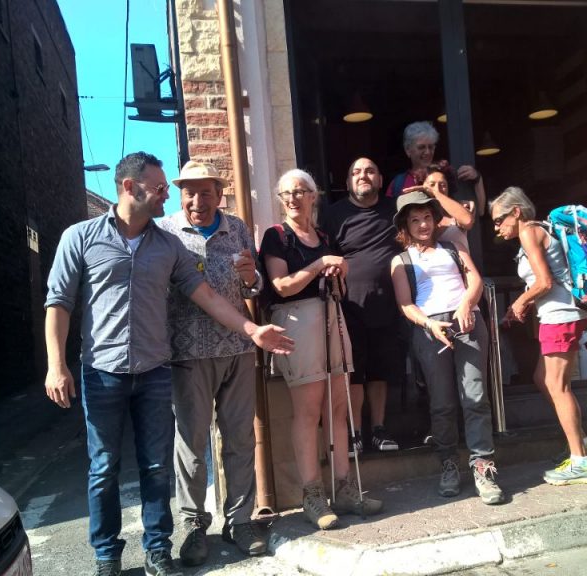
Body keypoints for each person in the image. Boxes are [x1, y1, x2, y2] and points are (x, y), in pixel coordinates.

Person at [43, 152, 293, 576]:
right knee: (104, 468)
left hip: (155, 368)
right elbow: (59, 302)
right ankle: (107, 556)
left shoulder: (167, 245)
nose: (167, 195)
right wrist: (56, 365)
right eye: (161, 188)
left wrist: (252, 329)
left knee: (156, 465)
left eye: (166, 188)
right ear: (129, 187)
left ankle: (158, 548)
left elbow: (205, 293)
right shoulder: (81, 237)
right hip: (104, 370)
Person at [259, 169, 383, 530]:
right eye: (286, 193)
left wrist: (338, 271)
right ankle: (312, 495)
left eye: (300, 191)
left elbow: (339, 287)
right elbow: (281, 286)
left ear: (313, 196)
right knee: (308, 410)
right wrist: (320, 265)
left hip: (331, 317)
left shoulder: (325, 237)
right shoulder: (276, 236)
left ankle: (344, 489)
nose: (293, 198)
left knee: (338, 407)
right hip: (297, 320)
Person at [157, 161, 266, 565]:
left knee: (239, 438)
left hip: (237, 348)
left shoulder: (236, 228)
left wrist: (251, 277)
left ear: (219, 195)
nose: (197, 201)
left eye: (206, 192)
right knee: (191, 444)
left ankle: (239, 521)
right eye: (190, 192)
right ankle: (193, 525)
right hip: (187, 353)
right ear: (180, 195)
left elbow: (254, 288)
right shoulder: (165, 231)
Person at [389, 190, 504, 505]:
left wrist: (467, 304)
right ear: (405, 225)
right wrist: (429, 324)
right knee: (442, 403)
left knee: (475, 397)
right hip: (430, 329)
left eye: (427, 217)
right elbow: (405, 304)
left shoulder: (453, 247)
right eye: (415, 220)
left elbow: (475, 280)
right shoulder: (400, 260)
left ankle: (483, 467)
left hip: (467, 321)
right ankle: (448, 464)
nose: (423, 224)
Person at [489, 187, 587, 486]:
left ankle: (581, 460)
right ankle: (581, 442)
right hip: (560, 316)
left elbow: (544, 282)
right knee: (543, 379)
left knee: (556, 385)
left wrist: (519, 302)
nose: (497, 228)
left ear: (516, 212)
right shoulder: (538, 230)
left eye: (499, 220)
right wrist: (522, 305)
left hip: (560, 316)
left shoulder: (529, 232)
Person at [323, 158, 403, 454]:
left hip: (387, 303)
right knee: (354, 371)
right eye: (356, 172)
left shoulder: (395, 210)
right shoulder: (333, 215)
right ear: (347, 183)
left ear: (381, 180)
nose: (363, 176)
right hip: (348, 305)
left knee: (380, 370)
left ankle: (379, 429)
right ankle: (355, 432)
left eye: (370, 171)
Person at [386, 121, 487, 217]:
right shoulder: (398, 183)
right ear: (408, 150)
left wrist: (477, 178)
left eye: (431, 147)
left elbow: (480, 211)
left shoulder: (447, 175)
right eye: (421, 147)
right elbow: (390, 218)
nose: (427, 152)